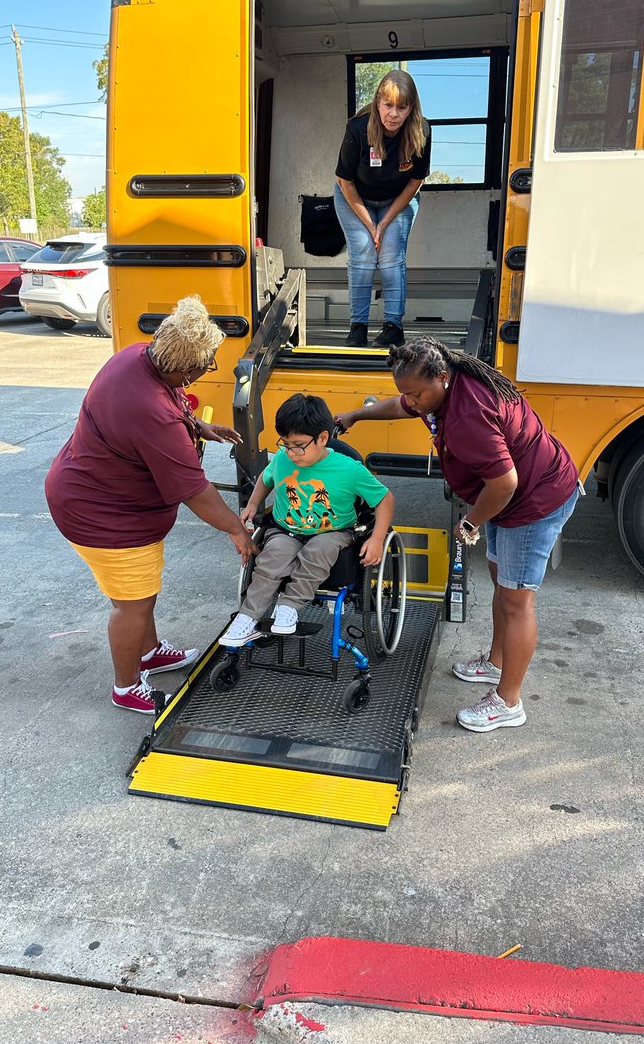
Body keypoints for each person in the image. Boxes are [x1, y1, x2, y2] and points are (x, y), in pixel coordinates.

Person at [335, 337, 580, 734]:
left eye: (416, 394)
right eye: (406, 393)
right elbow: (401, 406)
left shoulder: (468, 417)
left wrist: (470, 523)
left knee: (518, 600)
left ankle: (509, 702)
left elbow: (503, 483)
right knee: (503, 584)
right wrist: (355, 416)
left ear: (442, 378)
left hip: (534, 501)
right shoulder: (445, 384)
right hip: (514, 497)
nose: (410, 402)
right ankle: (496, 663)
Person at [45, 296, 255, 715]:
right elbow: (194, 490)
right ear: (181, 366)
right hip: (104, 514)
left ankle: (150, 652)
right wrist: (236, 529)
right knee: (132, 605)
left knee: (141, 594)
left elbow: (167, 404)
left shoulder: (137, 357)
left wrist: (197, 426)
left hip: (101, 497)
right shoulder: (151, 412)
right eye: (203, 366)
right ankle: (125, 686)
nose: (203, 372)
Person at [219, 393, 394, 645]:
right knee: (271, 559)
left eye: (299, 445)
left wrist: (377, 538)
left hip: (333, 531)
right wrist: (253, 504)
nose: (291, 453)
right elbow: (266, 479)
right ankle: (247, 617)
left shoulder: (349, 469)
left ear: (323, 438)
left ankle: (288, 605)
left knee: (317, 553)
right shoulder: (282, 459)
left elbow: (385, 499)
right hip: (286, 529)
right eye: (286, 444)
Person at [334, 69, 431, 350]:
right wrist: (370, 224)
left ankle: (393, 327)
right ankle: (358, 327)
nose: (394, 114)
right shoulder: (358, 129)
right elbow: (345, 181)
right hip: (353, 196)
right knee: (364, 252)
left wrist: (385, 221)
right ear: (378, 103)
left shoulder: (421, 130)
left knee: (390, 256)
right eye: (388, 105)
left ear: (411, 108)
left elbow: (416, 181)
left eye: (402, 107)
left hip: (399, 199)